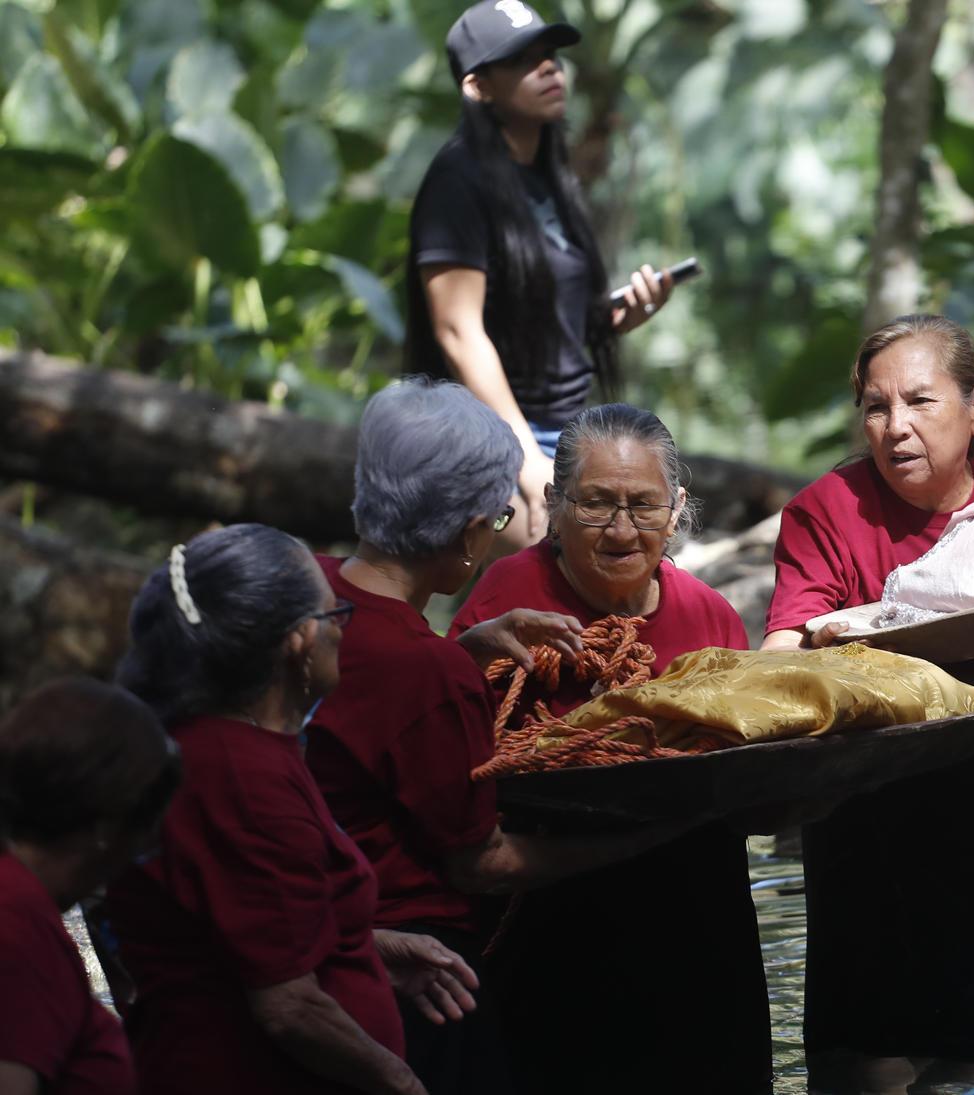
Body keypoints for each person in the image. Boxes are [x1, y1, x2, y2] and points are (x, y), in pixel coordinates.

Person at [303, 381, 723, 1093]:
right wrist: (664, 826)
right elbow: (480, 861)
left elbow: (366, 703)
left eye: (643, 505)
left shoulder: (307, 591)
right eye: (502, 514)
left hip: (325, 931)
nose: (620, 528)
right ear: (474, 531)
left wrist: (461, 651)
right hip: (424, 964)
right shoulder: (431, 660)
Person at [762, 315, 974, 1094]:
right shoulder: (827, 510)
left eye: (919, 400)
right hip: (870, 797)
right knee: (871, 1053)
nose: (894, 426)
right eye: (875, 406)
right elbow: (781, 648)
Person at [446, 403, 771, 1093]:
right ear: (552, 504)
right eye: (595, 504)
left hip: (694, 915)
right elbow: (447, 757)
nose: (622, 529)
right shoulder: (507, 600)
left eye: (643, 505)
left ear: (677, 508)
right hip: (551, 917)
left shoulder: (708, 616)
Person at [104, 524, 479, 1095]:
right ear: (300, 644)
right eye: (337, 618)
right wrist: (401, 1081)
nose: (344, 632)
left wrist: (364, 944)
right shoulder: (239, 779)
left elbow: (239, 927)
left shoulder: (238, 748)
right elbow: (287, 1005)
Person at [405, 0, 677, 552]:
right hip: (495, 441)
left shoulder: (548, 174)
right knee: (543, 610)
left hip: (569, 430)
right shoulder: (457, 180)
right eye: (524, 61)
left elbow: (545, 318)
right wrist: (525, 460)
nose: (550, 68)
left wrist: (618, 318)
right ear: (478, 87)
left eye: (550, 55)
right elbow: (458, 330)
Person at [0, 680, 179, 1095]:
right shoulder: (18, 925)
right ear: (106, 825)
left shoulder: (46, 906)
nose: (147, 849)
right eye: (147, 823)